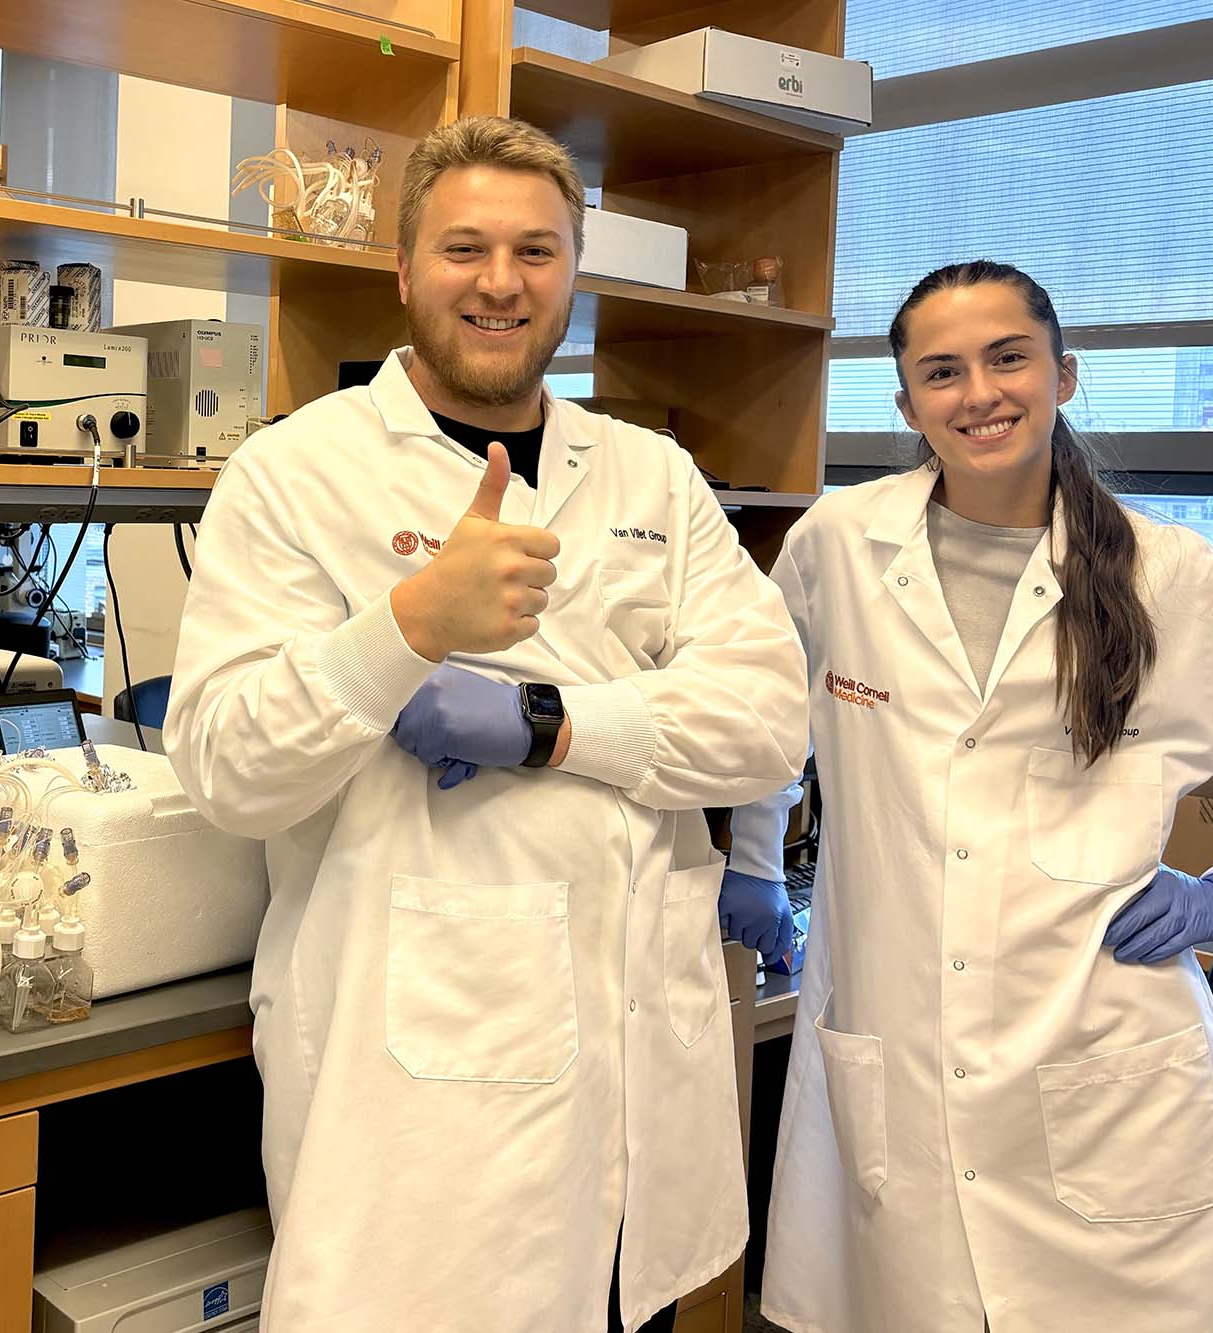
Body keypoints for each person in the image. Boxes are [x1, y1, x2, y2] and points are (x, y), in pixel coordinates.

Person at [163, 115, 809, 1331]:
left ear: (572, 273)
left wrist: (545, 723)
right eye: (463, 248)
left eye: (536, 250)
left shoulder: (649, 474)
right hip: (423, 1127)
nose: (500, 282)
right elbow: (225, 772)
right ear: (403, 270)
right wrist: (402, 626)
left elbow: (769, 721)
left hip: (637, 1124)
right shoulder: (293, 474)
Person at [731, 260, 1213, 1332]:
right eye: (940, 372)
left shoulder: (1165, 576)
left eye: (1006, 358)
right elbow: (769, 721)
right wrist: (754, 861)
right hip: (892, 1044)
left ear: (1062, 374)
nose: (977, 393)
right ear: (903, 404)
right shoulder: (837, 548)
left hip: (1102, 1044)